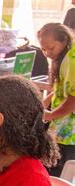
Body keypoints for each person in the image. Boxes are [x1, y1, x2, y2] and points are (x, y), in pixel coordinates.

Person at [38, 23, 75, 176]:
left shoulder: (72, 60)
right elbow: (61, 91)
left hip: (68, 135)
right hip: (61, 130)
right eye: (44, 49)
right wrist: (42, 104)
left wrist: (49, 115)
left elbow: (73, 99)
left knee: (56, 179)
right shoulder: (65, 57)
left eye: (51, 48)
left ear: (64, 40)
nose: (47, 54)